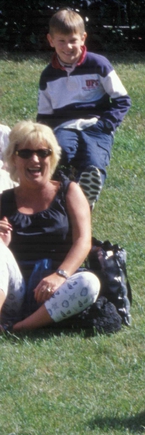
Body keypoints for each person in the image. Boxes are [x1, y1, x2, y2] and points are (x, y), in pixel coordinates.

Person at [0, 121, 102, 331]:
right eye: (25, 153)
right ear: (13, 158)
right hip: (14, 293)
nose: (35, 159)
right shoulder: (4, 200)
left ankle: (19, 328)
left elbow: (83, 240)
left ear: (52, 157)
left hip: (55, 290)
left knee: (89, 283)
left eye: (43, 152)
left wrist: (60, 275)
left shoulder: (69, 191)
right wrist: (3, 243)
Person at [36, 8, 131, 208]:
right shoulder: (48, 76)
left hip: (96, 125)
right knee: (59, 155)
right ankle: (61, 194)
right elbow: (44, 115)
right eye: (61, 41)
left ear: (83, 38)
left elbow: (122, 100)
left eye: (73, 40)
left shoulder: (99, 65)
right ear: (51, 40)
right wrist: (44, 138)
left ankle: (85, 199)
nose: (68, 46)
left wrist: (106, 125)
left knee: (94, 160)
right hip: (64, 126)